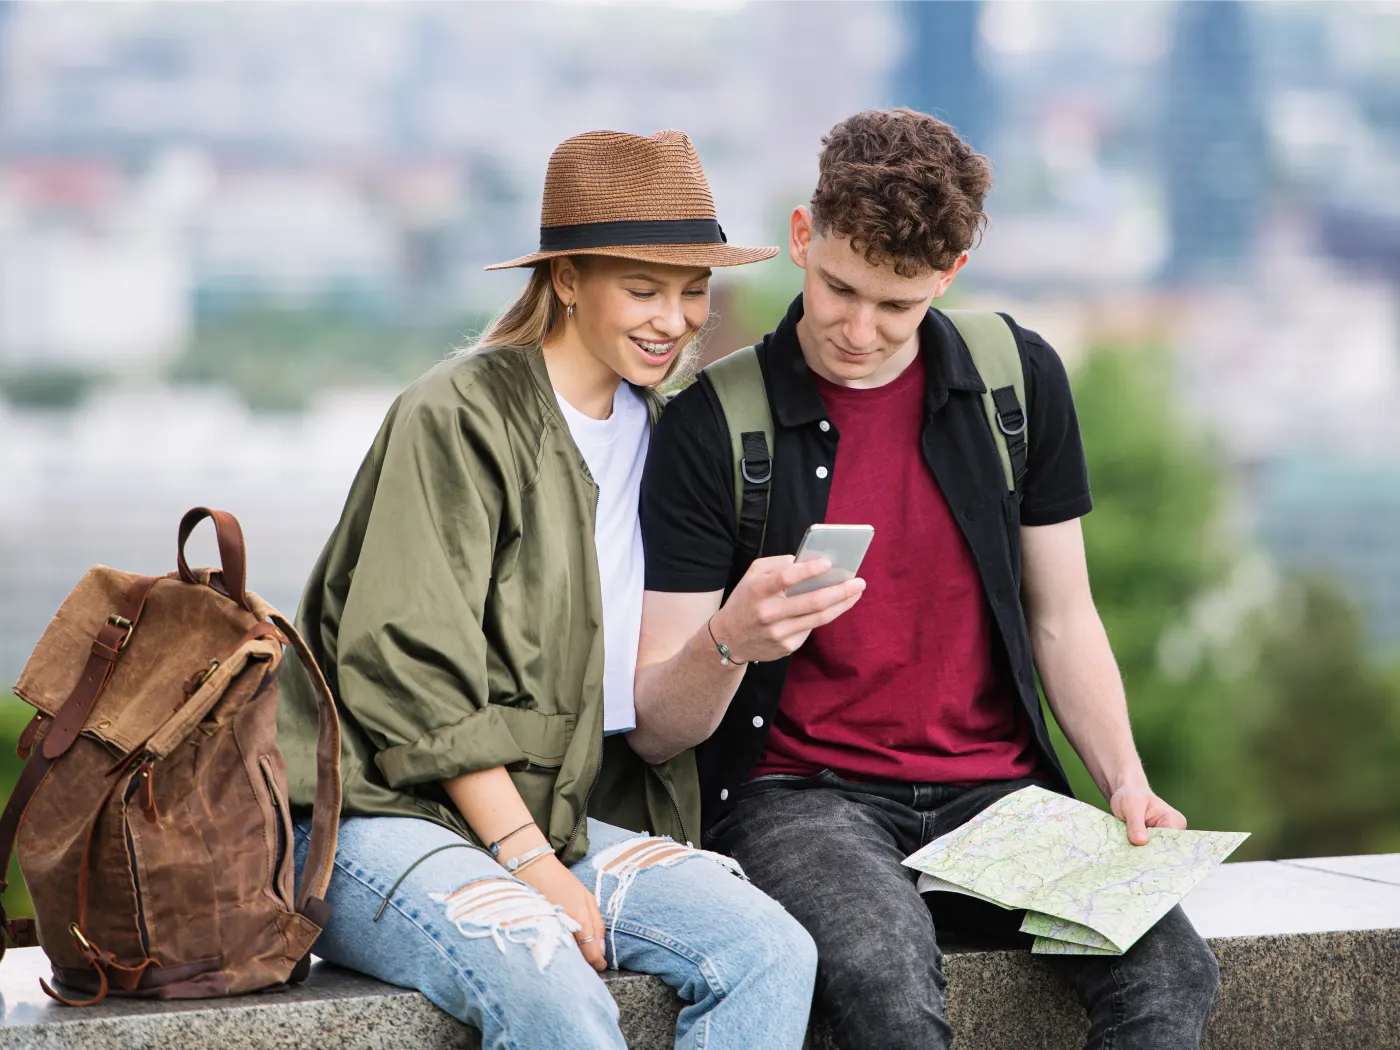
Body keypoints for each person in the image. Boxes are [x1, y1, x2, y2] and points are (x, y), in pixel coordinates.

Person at [631, 108, 1222, 1050]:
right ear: (800, 236)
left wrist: (1125, 782)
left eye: (897, 306)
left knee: (1173, 972)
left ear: (947, 279)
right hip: (800, 797)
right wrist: (731, 639)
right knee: (885, 987)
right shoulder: (713, 423)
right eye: (838, 288)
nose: (858, 331)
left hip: (998, 796)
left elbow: (1064, 618)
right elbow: (659, 726)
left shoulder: (1015, 381)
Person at [275, 129, 818, 1050]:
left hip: (561, 815)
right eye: (643, 289)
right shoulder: (460, 413)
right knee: (549, 983)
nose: (675, 319)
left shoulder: (668, 435)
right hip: (374, 817)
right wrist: (530, 863)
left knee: (770, 950)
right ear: (566, 280)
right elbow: (410, 677)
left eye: (693, 292)